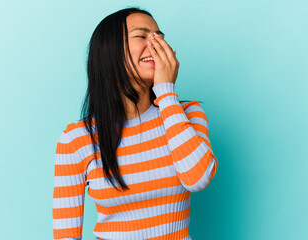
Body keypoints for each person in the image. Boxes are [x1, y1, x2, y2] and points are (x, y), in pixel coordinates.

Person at [52, 7, 218, 240]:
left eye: (159, 36)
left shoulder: (187, 114)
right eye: (142, 36)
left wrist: (166, 93)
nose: (156, 43)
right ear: (110, 52)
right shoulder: (77, 139)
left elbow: (197, 179)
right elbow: (66, 236)